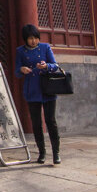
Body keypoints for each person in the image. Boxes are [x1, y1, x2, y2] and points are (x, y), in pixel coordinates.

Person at [14, 23, 61, 165]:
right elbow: (17, 71)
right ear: (25, 39)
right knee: (36, 123)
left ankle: (56, 153)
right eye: (30, 38)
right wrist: (22, 69)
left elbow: (55, 65)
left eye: (35, 38)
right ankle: (42, 152)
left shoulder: (45, 47)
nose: (33, 41)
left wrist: (46, 66)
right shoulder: (21, 51)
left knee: (50, 121)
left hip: (47, 88)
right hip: (32, 89)